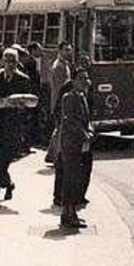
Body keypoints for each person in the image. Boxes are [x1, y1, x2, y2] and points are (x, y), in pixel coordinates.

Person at [0, 48, 32, 205]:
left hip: (14, 127)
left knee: (5, 159)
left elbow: (29, 103)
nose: (9, 64)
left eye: (13, 61)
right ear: (3, 61)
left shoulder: (24, 80)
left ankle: (6, 185)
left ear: (17, 63)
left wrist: (20, 106)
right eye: (7, 60)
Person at [58, 68, 94, 229]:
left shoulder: (82, 97)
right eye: (81, 79)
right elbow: (69, 121)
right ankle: (67, 214)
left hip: (80, 144)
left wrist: (90, 130)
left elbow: (87, 119)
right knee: (70, 179)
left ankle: (72, 213)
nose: (85, 81)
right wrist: (84, 133)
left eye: (86, 78)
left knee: (77, 178)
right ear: (73, 81)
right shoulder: (69, 98)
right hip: (71, 144)